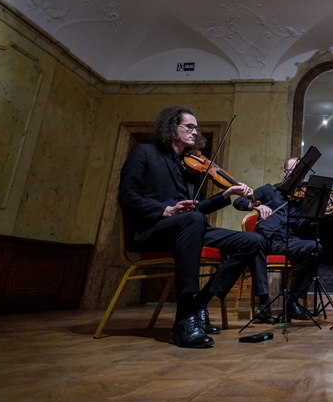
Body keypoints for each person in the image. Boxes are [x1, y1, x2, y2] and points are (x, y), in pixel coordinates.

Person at [118, 105, 265, 349]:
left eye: (197, 128)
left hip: (189, 230)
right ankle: (184, 319)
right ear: (171, 127)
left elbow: (197, 209)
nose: (195, 132)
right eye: (189, 127)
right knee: (193, 220)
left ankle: (200, 303)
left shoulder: (190, 167)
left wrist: (227, 193)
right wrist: (166, 210)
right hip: (153, 231)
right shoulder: (144, 152)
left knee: (253, 240)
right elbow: (127, 197)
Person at [232, 157, 320, 322]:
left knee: (315, 248)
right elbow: (238, 201)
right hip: (265, 237)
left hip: (288, 241)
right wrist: (255, 206)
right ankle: (264, 303)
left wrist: (314, 210)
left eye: (301, 172)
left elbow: (305, 226)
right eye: (294, 171)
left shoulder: (303, 200)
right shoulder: (268, 190)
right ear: (285, 172)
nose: (298, 176)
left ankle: (292, 302)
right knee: (254, 240)